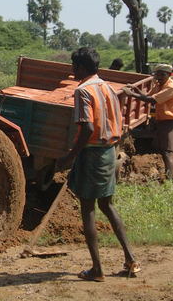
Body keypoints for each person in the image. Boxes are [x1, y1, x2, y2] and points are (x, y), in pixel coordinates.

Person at [56, 47, 139, 282]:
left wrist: (69, 157)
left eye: (73, 66)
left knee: (88, 210)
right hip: (109, 151)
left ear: (81, 68)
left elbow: (88, 128)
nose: (72, 70)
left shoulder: (83, 90)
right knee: (107, 206)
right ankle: (131, 259)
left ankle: (97, 269)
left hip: (92, 154)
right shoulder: (107, 87)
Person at [123, 63, 173, 179]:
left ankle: (170, 180)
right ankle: (169, 177)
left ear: (169, 75)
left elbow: (152, 100)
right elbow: (147, 96)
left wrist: (132, 94)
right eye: (157, 74)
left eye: (163, 74)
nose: (159, 77)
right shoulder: (158, 85)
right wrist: (136, 89)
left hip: (172, 122)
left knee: (167, 153)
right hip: (163, 121)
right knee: (163, 151)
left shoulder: (171, 87)